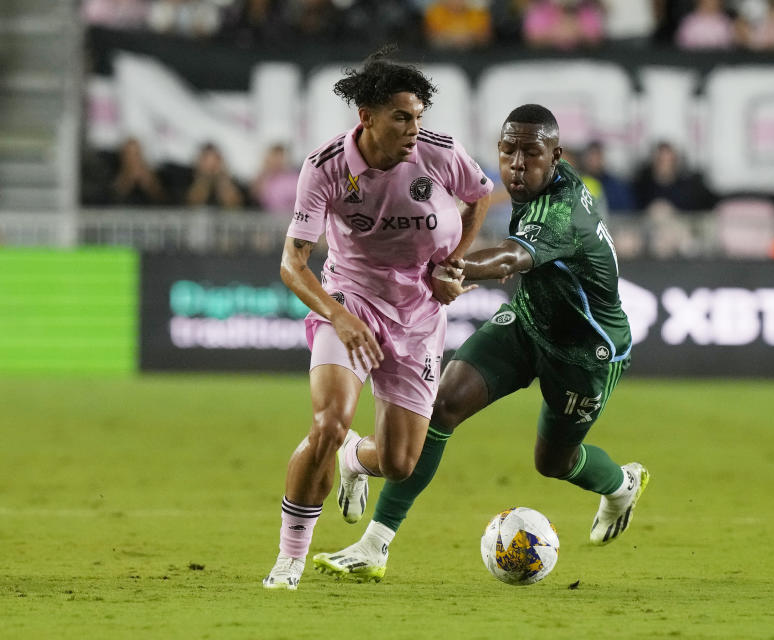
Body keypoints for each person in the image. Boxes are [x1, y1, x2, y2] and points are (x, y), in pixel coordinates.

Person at [313, 104, 649, 582]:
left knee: (553, 462)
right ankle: (374, 546)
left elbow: (511, 256)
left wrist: (450, 266)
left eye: (530, 153)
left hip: (585, 354)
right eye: (507, 150)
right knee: (442, 405)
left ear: (556, 156)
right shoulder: (537, 180)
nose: (516, 163)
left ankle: (621, 484)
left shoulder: (563, 209)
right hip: (529, 323)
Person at [261, 47, 493, 590]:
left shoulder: (440, 154)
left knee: (400, 462)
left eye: (418, 116)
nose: (415, 128)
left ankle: (354, 461)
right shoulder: (325, 168)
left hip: (419, 313)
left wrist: (450, 264)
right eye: (402, 117)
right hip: (352, 299)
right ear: (366, 117)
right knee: (328, 421)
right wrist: (338, 317)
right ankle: (289, 558)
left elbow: (480, 197)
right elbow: (293, 264)